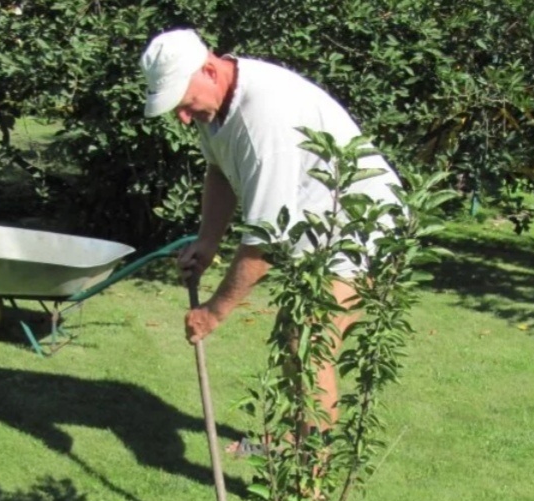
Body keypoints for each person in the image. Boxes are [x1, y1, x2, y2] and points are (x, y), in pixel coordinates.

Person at [139, 28, 401, 427]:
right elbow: (220, 172)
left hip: (361, 226)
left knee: (311, 346)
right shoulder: (215, 108)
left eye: (185, 102)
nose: (183, 116)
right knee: (295, 343)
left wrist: (213, 312)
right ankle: (298, 454)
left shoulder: (263, 117)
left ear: (209, 70)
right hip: (316, 226)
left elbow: (265, 243)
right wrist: (208, 241)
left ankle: (311, 483)